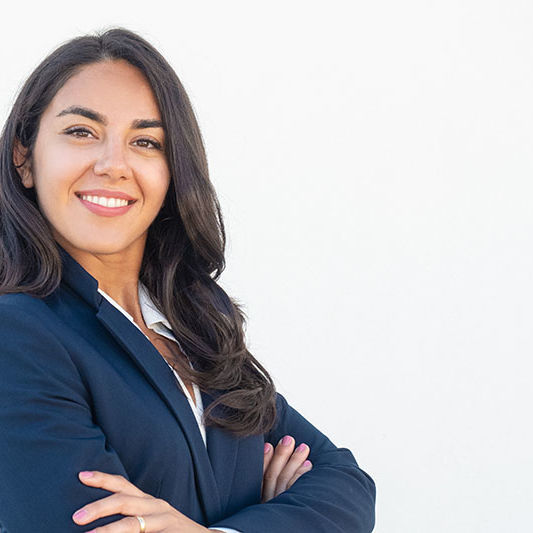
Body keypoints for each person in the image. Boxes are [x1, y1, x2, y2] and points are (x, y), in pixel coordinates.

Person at [0, 27, 376, 532]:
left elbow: (346, 487)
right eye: (81, 132)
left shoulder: (197, 326)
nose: (113, 165)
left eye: (145, 141)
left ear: (172, 170)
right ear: (25, 158)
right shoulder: (17, 336)